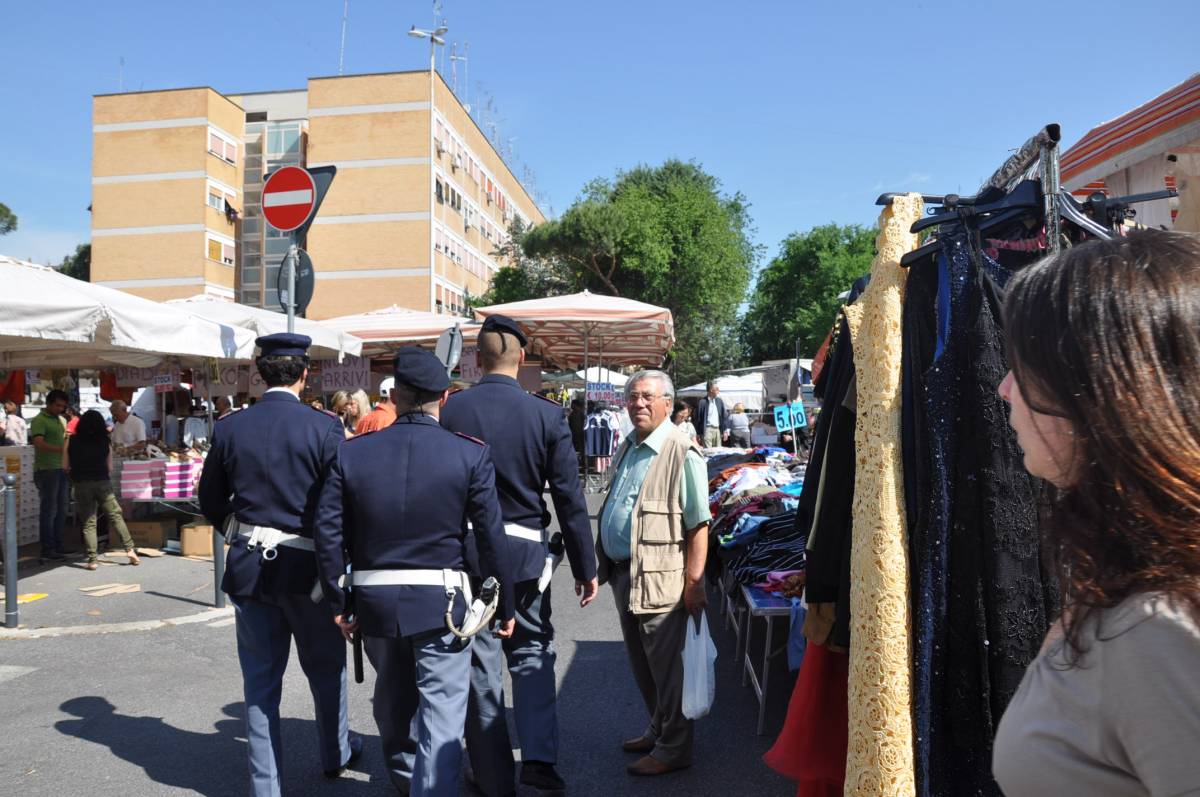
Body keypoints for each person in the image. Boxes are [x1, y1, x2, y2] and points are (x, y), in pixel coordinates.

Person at [991, 230, 1200, 796]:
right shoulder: (1134, 583)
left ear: (1097, 392)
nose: (1005, 387)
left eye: (1023, 367)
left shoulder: (1162, 630)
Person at [315, 347, 516, 796]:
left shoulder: (353, 454)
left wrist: (338, 600)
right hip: (442, 605)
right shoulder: (469, 454)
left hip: (374, 601)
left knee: (394, 704)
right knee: (442, 719)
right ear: (442, 397)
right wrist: (505, 604)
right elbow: (490, 537)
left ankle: (408, 783)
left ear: (397, 395)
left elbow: (329, 532)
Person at [441, 315, 599, 794]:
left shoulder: (452, 411)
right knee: (531, 653)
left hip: (467, 552)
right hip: (526, 555)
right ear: (522, 358)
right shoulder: (547, 415)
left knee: (480, 657)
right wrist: (586, 566)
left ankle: (489, 768)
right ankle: (538, 762)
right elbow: (569, 499)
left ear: (477, 359)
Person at [198, 333, 360, 796]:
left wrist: (238, 527)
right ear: (305, 373)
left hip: (249, 565)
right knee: (328, 670)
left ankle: (266, 787)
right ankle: (335, 753)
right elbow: (341, 505)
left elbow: (208, 498)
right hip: (311, 570)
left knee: (261, 684)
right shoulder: (325, 427)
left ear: (258, 371)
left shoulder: (231, 427)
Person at [596, 370, 710, 777]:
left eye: (647, 397)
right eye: (632, 397)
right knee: (642, 664)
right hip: (626, 573)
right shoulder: (630, 444)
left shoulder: (681, 450)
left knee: (667, 668)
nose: (638, 404)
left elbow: (699, 524)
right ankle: (659, 728)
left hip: (663, 578)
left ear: (667, 403)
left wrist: (694, 584)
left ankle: (675, 747)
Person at [63, 410, 139, 570]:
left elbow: (64, 466)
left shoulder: (71, 440)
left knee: (89, 522)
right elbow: (110, 467)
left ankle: (92, 559)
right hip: (102, 483)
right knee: (115, 516)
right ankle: (130, 550)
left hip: (81, 483)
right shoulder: (105, 441)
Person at [31, 389, 70, 562]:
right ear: (48, 403)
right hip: (46, 469)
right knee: (49, 510)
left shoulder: (61, 420)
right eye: (57, 405)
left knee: (62, 509)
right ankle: (48, 548)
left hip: (61, 469)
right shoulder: (39, 420)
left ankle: (58, 545)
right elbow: (38, 443)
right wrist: (62, 450)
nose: (60, 408)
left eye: (62, 406)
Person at [692, 380, 728, 448]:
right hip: (707, 430)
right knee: (708, 452)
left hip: (717, 430)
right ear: (711, 390)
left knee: (718, 452)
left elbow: (724, 416)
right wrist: (698, 433)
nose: (718, 390)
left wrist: (725, 430)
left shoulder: (719, 401)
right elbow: (698, 418)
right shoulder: (702, 402)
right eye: (717, 389)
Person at [568, 398, 587, 462]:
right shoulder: (571, 413)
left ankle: (582, 461)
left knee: (580, 449)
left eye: (572, 404)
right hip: (573, 434)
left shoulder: (581, 413)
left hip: (580, 434)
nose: (571, 406)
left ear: (575, 405)